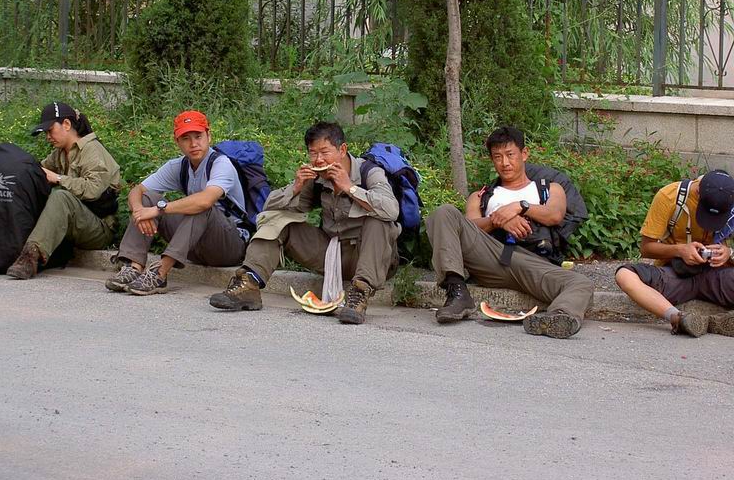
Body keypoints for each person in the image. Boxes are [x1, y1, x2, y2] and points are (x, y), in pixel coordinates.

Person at [208, 121, 400, 325]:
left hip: (372, 257)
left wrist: (350, 188)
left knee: (379, 221)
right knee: (279, 218)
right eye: (313, 153)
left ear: (342, 150)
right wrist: (296, 187)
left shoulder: (370, 172)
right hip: (332, 255)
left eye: (324, 152)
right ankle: (248, 283)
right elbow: (269, 207)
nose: (319, 160)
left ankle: (359, 294)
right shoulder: (316, 178)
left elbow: (391, 210)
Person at [425, 126, 593, 339]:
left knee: (580, 283)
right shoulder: (482, 196)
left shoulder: (549, 188)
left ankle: (559, 317)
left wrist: (519, 207)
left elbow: (555, 215)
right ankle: (457, 292)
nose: (504, 163)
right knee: (443, 212)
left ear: (524, 154)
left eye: (510, 154)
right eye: (497, 157)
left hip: (534, 263)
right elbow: (465, 228)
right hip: (494, 257)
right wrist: (498, 221)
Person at [105, 110, 247, 295]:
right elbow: (137, 191)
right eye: (186, 138)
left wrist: (158, 210)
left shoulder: (221, 164)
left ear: (209, 136)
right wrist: (139, 211)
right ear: (177, 141)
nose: (193, 144)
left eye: (198, 136)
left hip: (228, 246)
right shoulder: (179, 166)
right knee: (148, 198)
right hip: (194, 245)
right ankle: (134, 267)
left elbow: (205, 201)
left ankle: (159, 274)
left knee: (201, 207)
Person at [6, 102, 121, 279]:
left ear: (66, 124)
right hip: (76, 224)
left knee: (61, 197)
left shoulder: (92, 150)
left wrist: (58, 178)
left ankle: (30, 257)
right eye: (45, 133)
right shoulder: (60, 153)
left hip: (100, 229)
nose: (48, 137)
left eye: (50, 130)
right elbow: (39, 172)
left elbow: (93, 190)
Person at [615, 170, 734, 337]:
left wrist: (729, 252)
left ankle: (717, 322)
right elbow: (646, 248)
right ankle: (678, 318)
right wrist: (679, 250)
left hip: (717, 275)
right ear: (698, 191)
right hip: (676, 273)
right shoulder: (669, 196)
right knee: (624, 275)